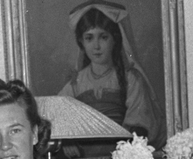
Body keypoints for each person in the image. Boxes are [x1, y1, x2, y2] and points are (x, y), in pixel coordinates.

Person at [59, 2, 163, 146]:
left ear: (115, 39)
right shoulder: (76, 82)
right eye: (89, 38)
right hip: (85, 154)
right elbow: (58, 118)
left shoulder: (130, 79)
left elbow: (140, 125)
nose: (96, 46)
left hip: (120, 152)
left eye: (103, 37)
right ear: (81, 42)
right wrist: (68, 143)